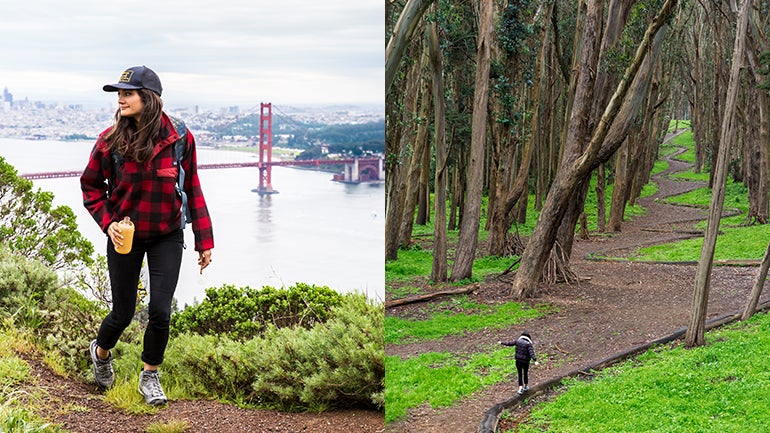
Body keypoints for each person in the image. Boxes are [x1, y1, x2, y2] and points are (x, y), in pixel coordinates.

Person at [80, 65, 214, 405]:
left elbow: (193, 187)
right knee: (123, 312)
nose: (121, 99)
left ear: (148, 98)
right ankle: (101, 352)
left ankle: (150, 375)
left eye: (128, 93)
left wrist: (204, 240)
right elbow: (91, 186)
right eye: (120, 94)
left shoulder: (181, 138)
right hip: (125, 234)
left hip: (166, 234)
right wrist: (108, 222)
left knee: (161, 311)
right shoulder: (110, 141)